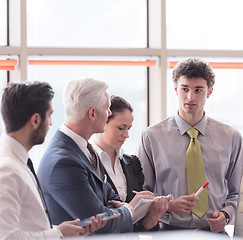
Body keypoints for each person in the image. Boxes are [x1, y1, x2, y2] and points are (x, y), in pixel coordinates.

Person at [137, 57, 243, 232]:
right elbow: (142, 193)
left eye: (198, 90)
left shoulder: (230, 136)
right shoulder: (151, 137)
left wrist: (227, 214)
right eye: (184, 89)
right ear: (175, 89)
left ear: (209, 92)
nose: (190, 97)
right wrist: (168, 205)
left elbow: (237, 191)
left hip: (215, 233)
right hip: (168, 231)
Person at [37, 77, 153, 234]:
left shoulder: (86, 150)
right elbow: (101, 224)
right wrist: (130, 209)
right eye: (107, 108)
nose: (109, 113)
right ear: (92, 113)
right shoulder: (64, 162)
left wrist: (116, 210)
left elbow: (113, 200)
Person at [0, 81, 106, 239]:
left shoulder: (18, 162)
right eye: (49, 115)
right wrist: (58, 233)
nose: (50, 123)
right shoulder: (8, 170)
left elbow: (29, 224)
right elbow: (6, 237)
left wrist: (61, 230)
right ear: (35, 120)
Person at [92, 95, 170, 231]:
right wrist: (131, 207)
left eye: (129, 128)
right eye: (121, 128)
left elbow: (140, 227)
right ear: (103, 121)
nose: (126, 135)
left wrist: (154, 214)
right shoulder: (86, 163)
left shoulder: (132, 163)